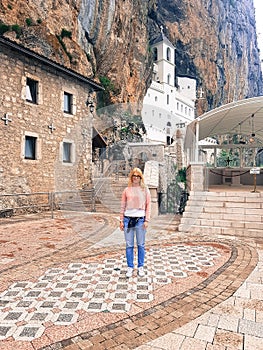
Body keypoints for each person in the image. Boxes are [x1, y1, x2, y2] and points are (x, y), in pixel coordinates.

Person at [120, 167, 151, 278]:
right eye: (134, 175)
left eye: (138, 176)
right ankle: (130, 267)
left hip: (140, 220)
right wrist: (121, 220)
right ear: (131, 177)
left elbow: (148, 206)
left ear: (140, 177)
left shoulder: (145, 190)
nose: (136, 178)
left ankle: (140, 267)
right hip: (128, 219)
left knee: (141, 245)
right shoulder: (126, 190)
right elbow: (123, 206)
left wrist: (147, 220)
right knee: (129, 245)